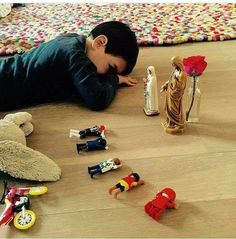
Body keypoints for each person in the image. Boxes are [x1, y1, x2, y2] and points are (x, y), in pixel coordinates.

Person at [0, 21, 139, 111]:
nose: (105, 74)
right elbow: (97, 98)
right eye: (110, 68)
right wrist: (114, 79)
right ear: (99, 42)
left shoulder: (72, 40)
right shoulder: (75, 56)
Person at [160, 56, 187, 134]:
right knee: (169, 108)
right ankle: (170, 123)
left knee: (174, 109)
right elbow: (170, 80)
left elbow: (181, 87)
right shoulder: (175, 70)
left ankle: (178, 124)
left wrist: (175, 81)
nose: (172, 65)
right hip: (170, 92)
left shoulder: (182, 74)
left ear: (177, 63)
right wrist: (165, 85)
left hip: (175, 95)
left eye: (173, 63)